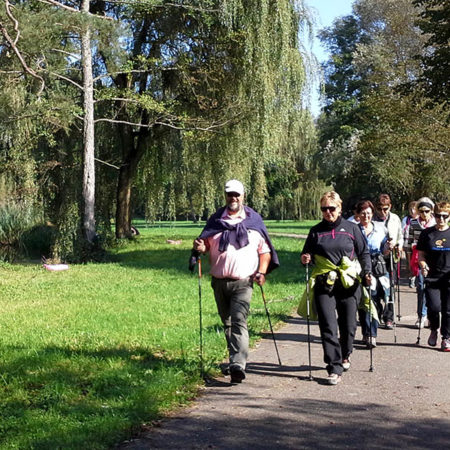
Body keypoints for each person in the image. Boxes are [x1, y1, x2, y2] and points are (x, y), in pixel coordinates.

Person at [193, 179, 279, 383]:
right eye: (230, 194)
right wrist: (200, 249)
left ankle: (238, 365)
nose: (233, 198)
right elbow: (204, 243)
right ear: (225, 196)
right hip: (219, 281)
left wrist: (262, 271)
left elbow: (264, 251)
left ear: (243, 196)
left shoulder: (253, 221)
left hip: (243, 282)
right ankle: (234, 361)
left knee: (239, 320)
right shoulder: (216, 220)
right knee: (227, 323)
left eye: (237, 195)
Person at [301, 191, 371, 385]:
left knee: (348, 325)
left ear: (339, 208)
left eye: (332, 208)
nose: (328, 212)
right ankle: (334, 366)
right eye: (324, 209)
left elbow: (364, 252)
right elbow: (306, 254)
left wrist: (367, 272)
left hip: (348, 282)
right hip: (324, 282)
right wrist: (305, 258)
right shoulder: (315, 231)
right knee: (327, 326)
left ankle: (346, 352)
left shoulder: (351, 228)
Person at [355, 200, 392, 347]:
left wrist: (388, 248)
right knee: (363, 302)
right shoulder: (354, 229)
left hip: (377, 267)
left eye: (369, 213)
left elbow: (384, 250)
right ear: (358, 214)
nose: (366, 216)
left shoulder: (380, 228)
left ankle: (372, 334)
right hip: (359, 266)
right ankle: (366, 331)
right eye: (363, 213)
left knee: (374, 300)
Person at [417, 202, 450, 352]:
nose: (441, 219)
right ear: (434, 215)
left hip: (448, 277)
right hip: (432, 277)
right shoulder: (427, 233)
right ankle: (434, 329)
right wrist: (423, 265)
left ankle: (446, 338)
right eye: (438, 216)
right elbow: (421, 254)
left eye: (445, 216)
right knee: (434, 307)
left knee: (448, 310)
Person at [374, 194, 404, 328]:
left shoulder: (395, 218)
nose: (382, 212)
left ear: (390, 206)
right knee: (378, 287)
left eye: (385, 209)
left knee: (390, 287)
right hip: (377, 258)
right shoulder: (372, 220)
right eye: (379, 209)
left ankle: (389, 317)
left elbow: (400, 236)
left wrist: (399, 245)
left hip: (391, 258)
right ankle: (378, 311)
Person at [406, 197, 436, 328]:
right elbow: (408, 244)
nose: (424, 214)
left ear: (431, 211)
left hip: (434, 260)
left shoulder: (436, 223)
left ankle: (432, 315)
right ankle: (421, 315)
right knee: (421, 287)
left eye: (427, 211)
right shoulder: (413, 223)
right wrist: (408, 263)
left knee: (432, 289)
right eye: (421, 211)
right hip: (418, 259)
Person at [402, 201, 419, 288]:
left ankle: (418, 278)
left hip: (417, 244)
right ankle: (411, 278)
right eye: (411, 209)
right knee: (410, 262)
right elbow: (402, 232)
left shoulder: (420, 219)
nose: (412, 211)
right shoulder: (406, 219)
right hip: (407, 243)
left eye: (414, 209)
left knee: (417, 261)